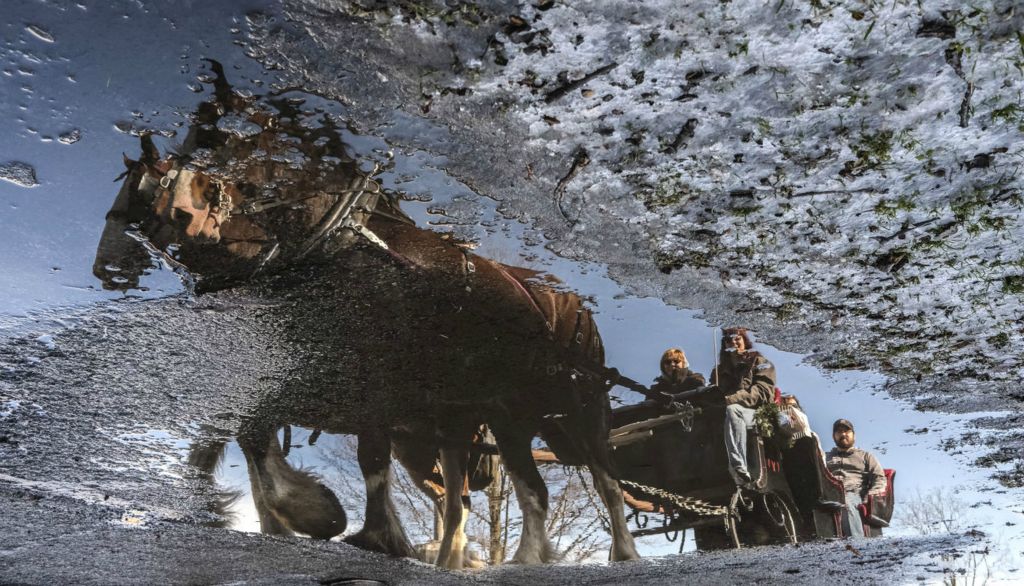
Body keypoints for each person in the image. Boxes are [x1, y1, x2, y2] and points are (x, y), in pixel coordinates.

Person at [709, 327, 776, 487]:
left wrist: (730, 400)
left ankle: (739, 468)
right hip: (726, 415)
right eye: (729, 340)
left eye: (737, 338)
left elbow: (762, 392)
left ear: (744, 341)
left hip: (757, 415)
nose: (734, 342)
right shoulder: (718, 372)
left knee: (733, 411)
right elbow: (712, 395)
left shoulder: (760, 362)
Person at [826, 419, 887, 539]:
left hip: (853, 494)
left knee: (845, 503)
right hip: (828, 494)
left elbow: (880, 479)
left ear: (854, 435)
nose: (843, 434)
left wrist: (870, 495)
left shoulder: (865, 456)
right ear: (834, 437)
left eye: (846, 431)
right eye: (839, 432)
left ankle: (857, 545)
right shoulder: (825, 457)